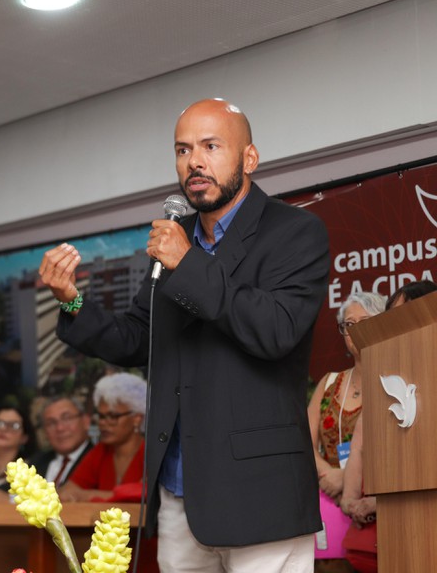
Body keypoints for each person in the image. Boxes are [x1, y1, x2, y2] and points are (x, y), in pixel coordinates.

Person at [39, 98, 330, 573]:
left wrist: (189, 263)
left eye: (211, 146)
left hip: (260, 495)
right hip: (178, 492)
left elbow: (276, 330)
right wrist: (72, 299)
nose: (194, 161)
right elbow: (136, 338)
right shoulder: (176, 241)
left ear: (249, 158)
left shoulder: (295, 232)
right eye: (182, 149)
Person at [340, 280, 437, 573]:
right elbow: (360, 442)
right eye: (392, 316)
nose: (400, 325)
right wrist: (352, 498)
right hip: (398, 534)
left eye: (408, 312)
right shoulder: (387, 368)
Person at [307, 291, 385, 572]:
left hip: (381, 513)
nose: (355, 330)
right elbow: (302, 440)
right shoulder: (329, 382)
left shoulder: (397, 381)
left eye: (364, 321)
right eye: (348, 325)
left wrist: (350, 479)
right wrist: (329, 475)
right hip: (329, 507)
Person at [59, 372, 146, 503]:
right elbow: (66, 492)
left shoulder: (150, 453)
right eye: (101, 416)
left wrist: (87, 495)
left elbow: (144, 495)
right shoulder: (101, 451)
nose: (103, 423)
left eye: (113, 416)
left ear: (137, 419)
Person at [27, 396, 94, 488]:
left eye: (67, 418)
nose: (60, 428)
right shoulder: (36, 462)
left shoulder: (99, 460)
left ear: (86, 421)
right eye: (51, 423)